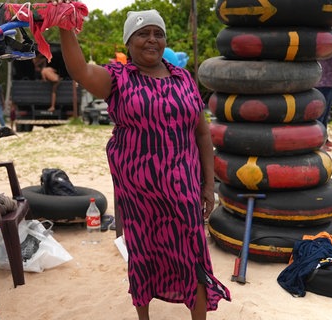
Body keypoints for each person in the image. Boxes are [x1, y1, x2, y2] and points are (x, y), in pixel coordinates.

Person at [54, 2, 231, 319]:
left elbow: (203, 135)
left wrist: (208, 187)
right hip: (139, 196)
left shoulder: (183, 79)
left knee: (193, 256)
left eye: (157, 34)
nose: (152, 40)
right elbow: (79, 70)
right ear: (128, 41)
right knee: (143, 257)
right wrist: (66, 26)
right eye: (143, 34)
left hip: (184, 189)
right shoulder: (117, 79)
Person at [315, 50, 332, 151]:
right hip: (321, 83)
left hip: (330, 82)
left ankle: (325, 139)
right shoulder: (323, 45)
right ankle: (319, 141)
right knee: (320, 114)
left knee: (326, 115)